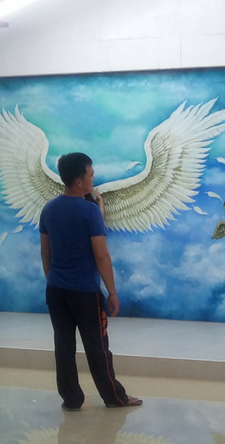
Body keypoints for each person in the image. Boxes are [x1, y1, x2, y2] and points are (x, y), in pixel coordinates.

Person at [39, 152, 141, 410]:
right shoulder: (89, 211)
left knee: (63, 347)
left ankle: (71, 399)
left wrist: (53, 281)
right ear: (79, 181)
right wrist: (112, 292)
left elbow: (45, 253)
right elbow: (101, 255)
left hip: (56, 291)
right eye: (91, 175)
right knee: (97, 348)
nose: (93, 179)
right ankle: (114, 397)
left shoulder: (49, 209)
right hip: (85, 293)